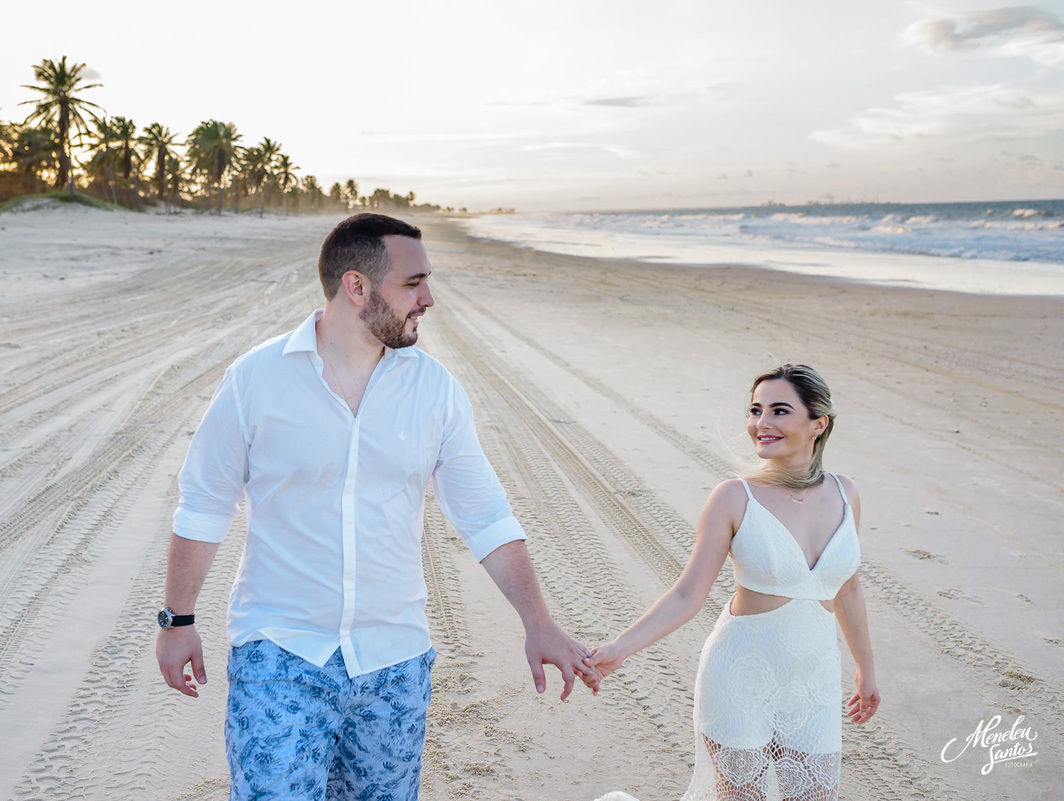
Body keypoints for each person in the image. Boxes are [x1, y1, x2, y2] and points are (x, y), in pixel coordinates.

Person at [155, 213, 596, 801]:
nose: (429, 298)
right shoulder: (255, 379)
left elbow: (485, 515)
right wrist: (177, 620)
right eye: (413, 283)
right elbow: (205, 504)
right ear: (357, 287)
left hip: (396, 662)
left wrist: (537, 620)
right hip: (280, 651)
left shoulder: (434, 389)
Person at [586, 364, 879, 801]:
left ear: (818, 423)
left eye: (779, 411)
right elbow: (688, 593)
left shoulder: (845, 493)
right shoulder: (734, 497)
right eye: (756, 410)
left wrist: (865, 668)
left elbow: (848, 589)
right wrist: (618, 649)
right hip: (740, 674)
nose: (762, 424)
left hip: (814, 675)